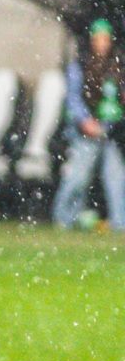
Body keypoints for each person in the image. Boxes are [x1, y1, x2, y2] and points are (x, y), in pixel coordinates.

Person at [52, 20, 125, 231]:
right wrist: (85, 120)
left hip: (108, 131)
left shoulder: (115, 66)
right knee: (78, 177)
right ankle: (64, 218)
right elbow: (73, 98)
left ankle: (120, 222)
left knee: (116, 178)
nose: (103, 43)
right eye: (99, 38)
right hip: (86, 132)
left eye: (106, 39)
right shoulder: (81, 65)